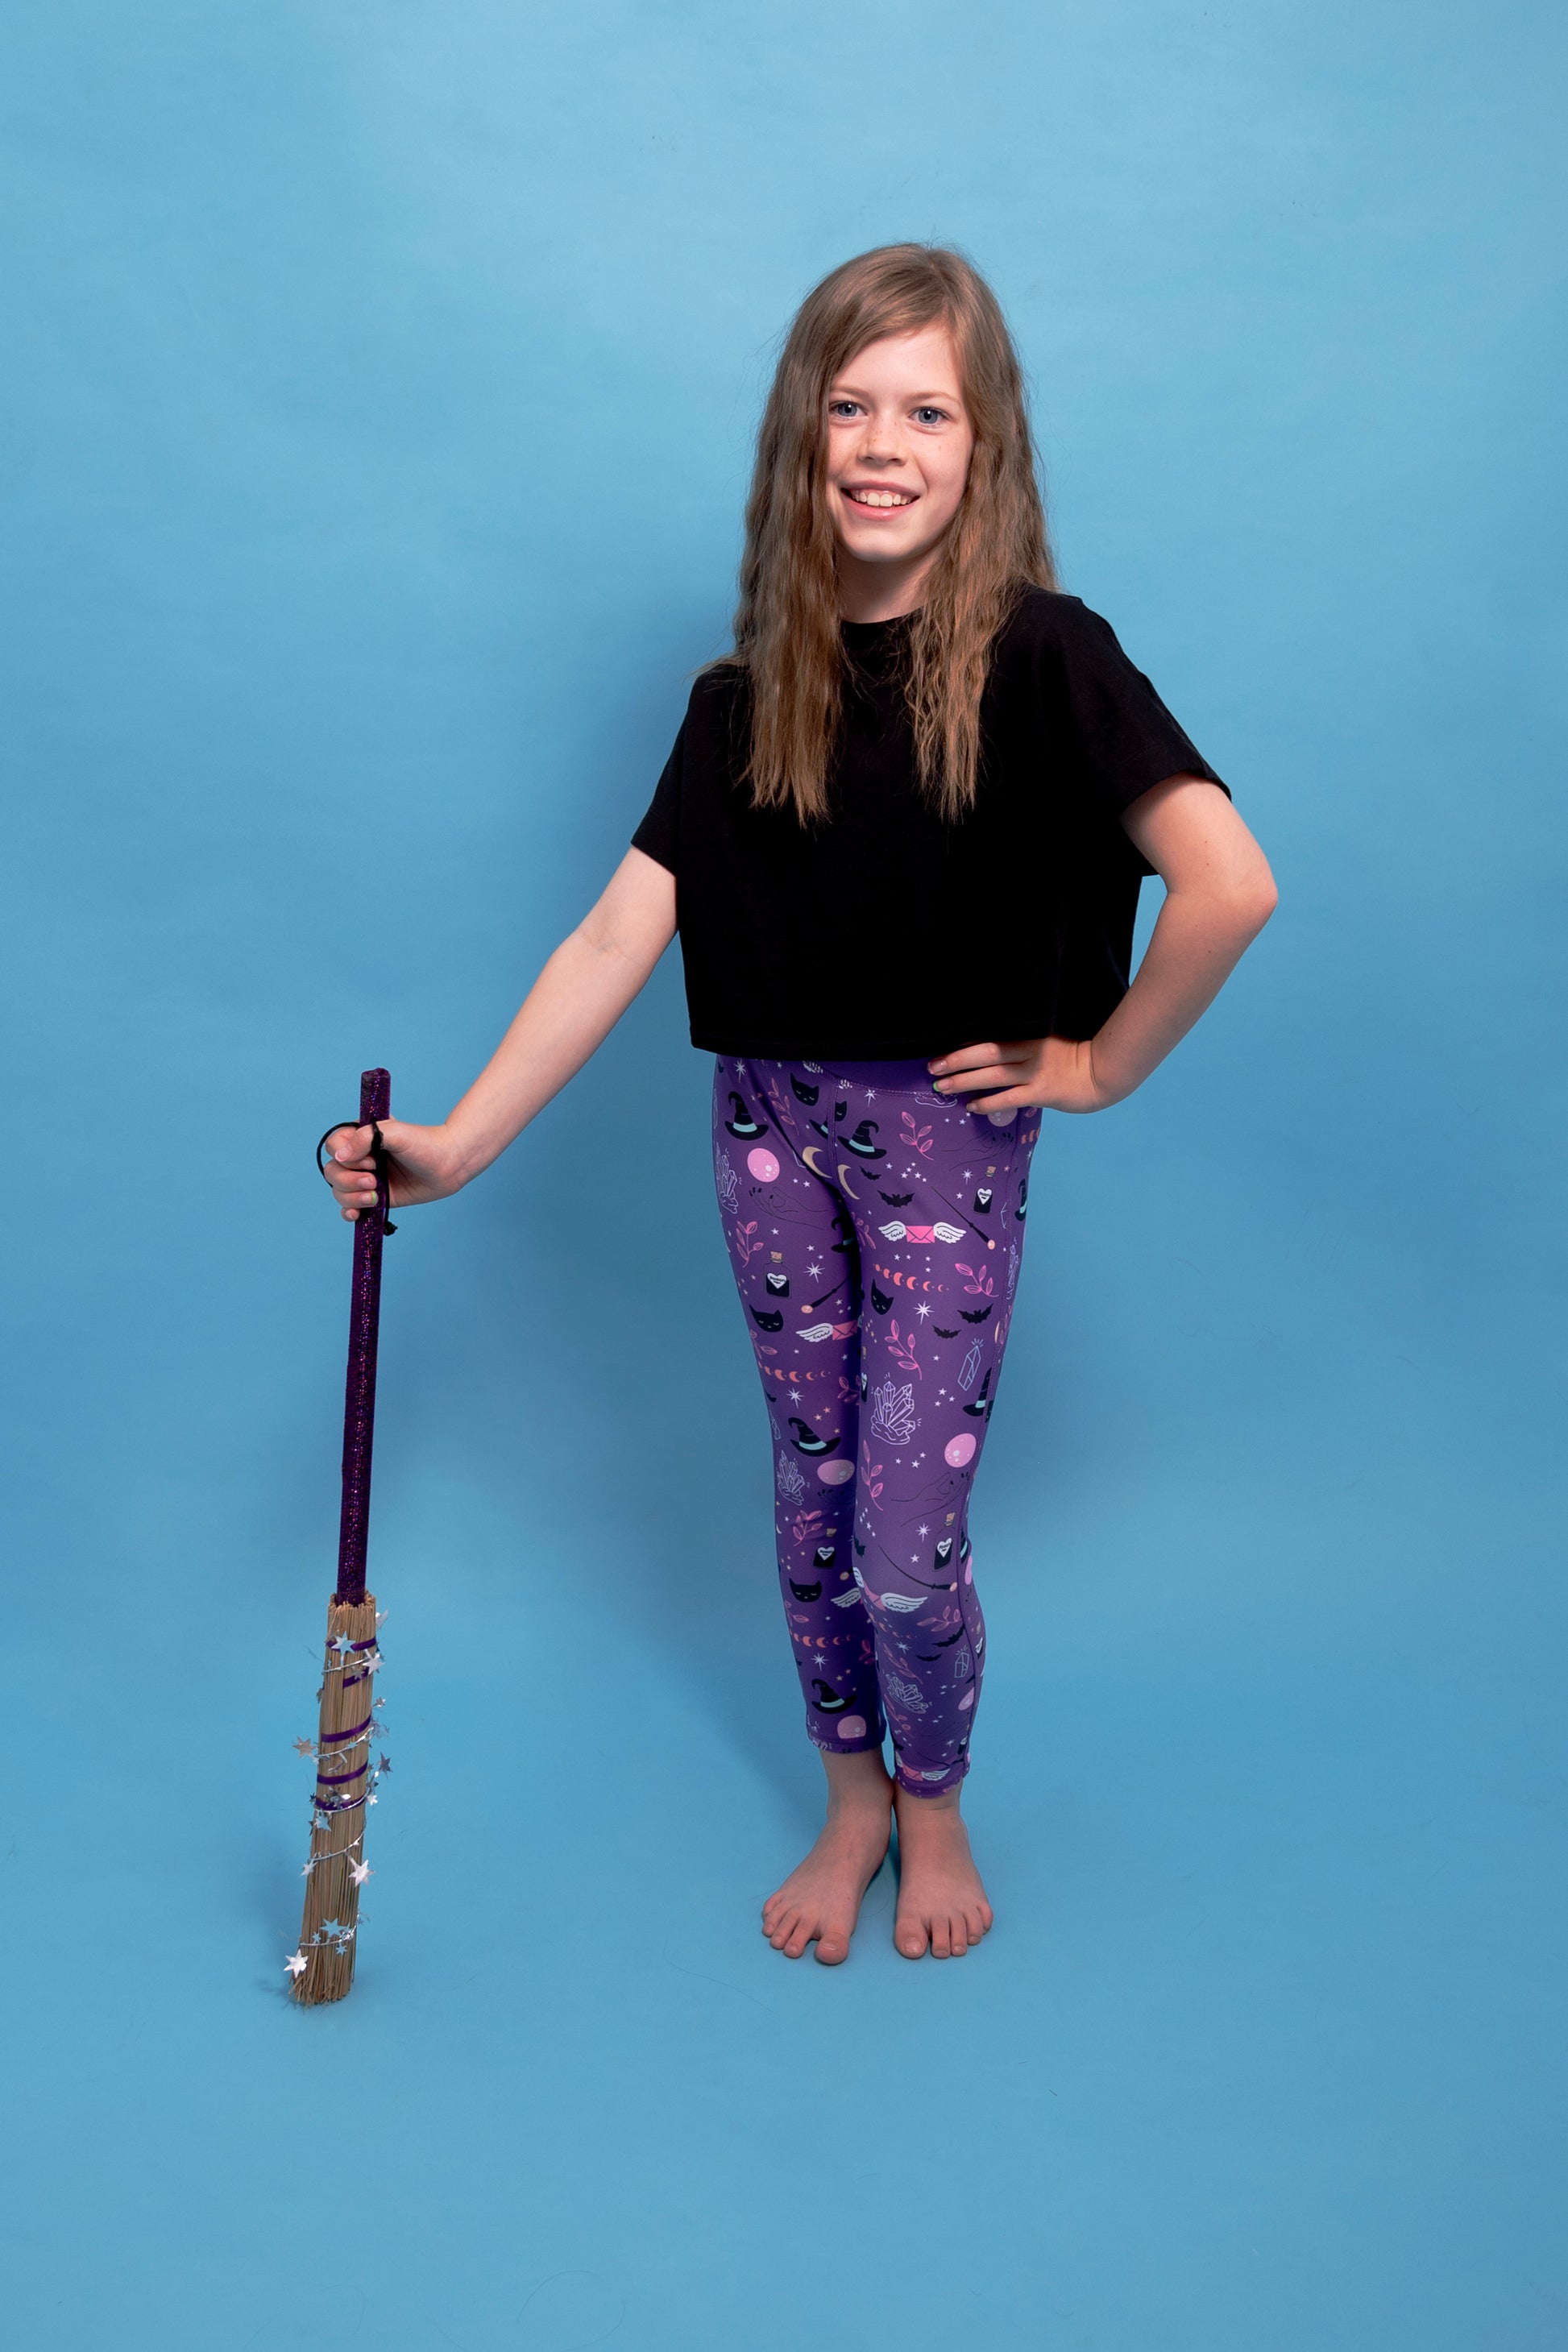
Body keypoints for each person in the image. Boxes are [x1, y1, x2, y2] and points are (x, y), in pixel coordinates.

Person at [320, 244, 1276, 1967]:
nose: (883, 444)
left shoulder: (1047, 657)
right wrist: (453, 1148)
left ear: (985, 446)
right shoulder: (743, 695)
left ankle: (935, 1800)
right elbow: (615, 933)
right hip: (768, 1129)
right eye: (849, 406)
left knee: (906, 1537)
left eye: (927, 411)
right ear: (800, 435)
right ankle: (851, 1798)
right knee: (813, 1497)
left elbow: (1228, 881)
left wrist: (1100, 1062)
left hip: (943, 1144)